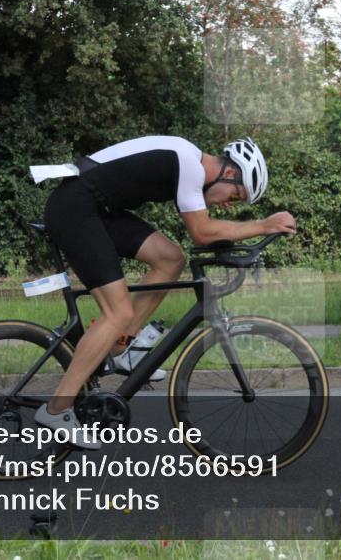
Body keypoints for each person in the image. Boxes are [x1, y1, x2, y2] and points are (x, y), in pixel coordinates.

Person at [35, 135, 296, 448]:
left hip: (97, 208)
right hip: (76, 207)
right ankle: (57, 409)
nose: (228, 204)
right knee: (117, 311)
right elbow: (202, 232)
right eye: (235, 196)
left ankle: (121, 348)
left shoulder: (187, 160)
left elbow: (205, 233)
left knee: (170, 259)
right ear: (229, 173)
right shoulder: (188, 163)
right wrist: (263, 225)